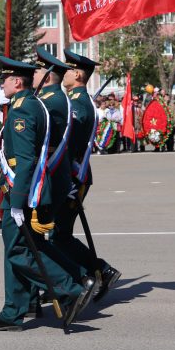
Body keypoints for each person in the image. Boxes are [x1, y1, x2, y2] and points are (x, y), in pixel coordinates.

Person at [0, 56, 95, 332]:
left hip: (22, 192)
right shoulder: (32, 104)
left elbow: (27, 160)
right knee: (24, 248)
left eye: (5, 79)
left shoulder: (23, 110)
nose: (2, 84)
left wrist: (17, 202)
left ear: (17, 82)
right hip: (20, 187)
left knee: (18, 250)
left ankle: (70, 289)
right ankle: (13, 311)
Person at [57, 49, 121, 301]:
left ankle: (98, 272)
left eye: (68, 69)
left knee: (59, 234)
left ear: (78, 75)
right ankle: (89, 274)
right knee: (60, 234)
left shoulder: (79, 104)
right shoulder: (76, 100)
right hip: (71, 176)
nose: (64, 73)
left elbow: (69, 144)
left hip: (72, 177)